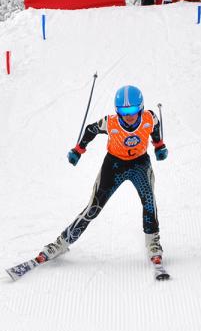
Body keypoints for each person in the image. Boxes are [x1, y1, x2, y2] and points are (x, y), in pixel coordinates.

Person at [32, 85, 169, 270]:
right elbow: (90, 130)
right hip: (114, 165)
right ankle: (61, 243)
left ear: (141, 108)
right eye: (124, 111)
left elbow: (155, 127)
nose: (129, 116)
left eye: (133, 110)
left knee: (149, 201)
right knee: (93, 207)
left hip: (139, 164)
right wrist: (78, 150)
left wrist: (159, 145)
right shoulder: (110, 123)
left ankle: (153, 242)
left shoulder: (149, 118)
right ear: (117, 111)